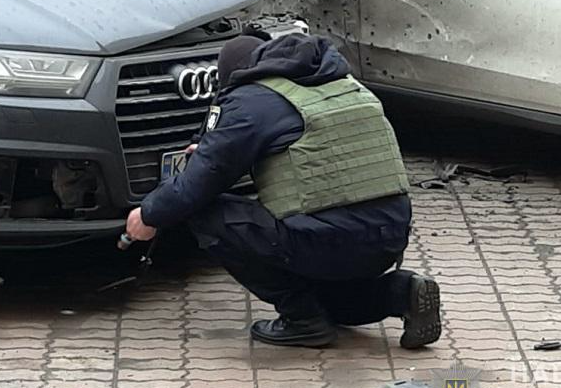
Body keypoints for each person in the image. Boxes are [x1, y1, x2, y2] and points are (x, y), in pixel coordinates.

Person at [125, 32, 441, 348]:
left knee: (205, 214)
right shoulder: (343, 84)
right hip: (389, 236)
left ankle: (301, 318)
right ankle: (403, 293)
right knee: (329, 304)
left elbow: (197, 186)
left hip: (331, 243)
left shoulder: (250, 99)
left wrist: (149, 214)